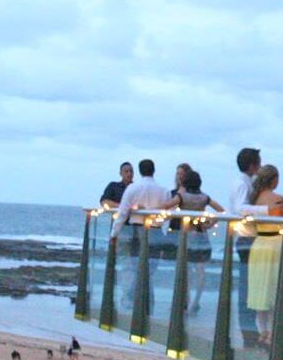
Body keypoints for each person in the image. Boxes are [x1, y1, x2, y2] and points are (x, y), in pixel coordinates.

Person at [245, 165, 283, 349]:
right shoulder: (279, 200)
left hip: (259, 244)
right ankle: (274, 334)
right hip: (277, 245)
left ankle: (263, 333)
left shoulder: (253, 200)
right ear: (274, 179)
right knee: (277, 290)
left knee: (261, 291)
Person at [112, 159, 173, 312]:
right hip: (156, 231)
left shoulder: (133, 188)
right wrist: (162, 227)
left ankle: (133, 300)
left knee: (138, 269)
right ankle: (147, 305)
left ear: (139, 171)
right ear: (154, 170)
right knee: (149, 271)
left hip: (137, 230)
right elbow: (168, 215)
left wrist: (114, 233)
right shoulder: (164, 190)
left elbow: (122, 213)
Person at [167, 170, 224, 314]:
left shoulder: (182, 197)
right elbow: (222, 211)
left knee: (186, 271)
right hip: (201, 235)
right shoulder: (204, 197)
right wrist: (210, 223)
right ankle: (195, 302)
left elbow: (165, 206)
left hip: (187, 237)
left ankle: (186, 301)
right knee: (200, 272)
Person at [229, 148, 267, 348]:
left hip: (247, 238)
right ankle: (249, 334)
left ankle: (252, 333)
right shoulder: (242, 184)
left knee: (251, 287)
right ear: (252, 165)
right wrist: (268, 210)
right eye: (258, 162)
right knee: (248, 289)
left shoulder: (244, 183)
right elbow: (241, 208)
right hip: (247, 238)